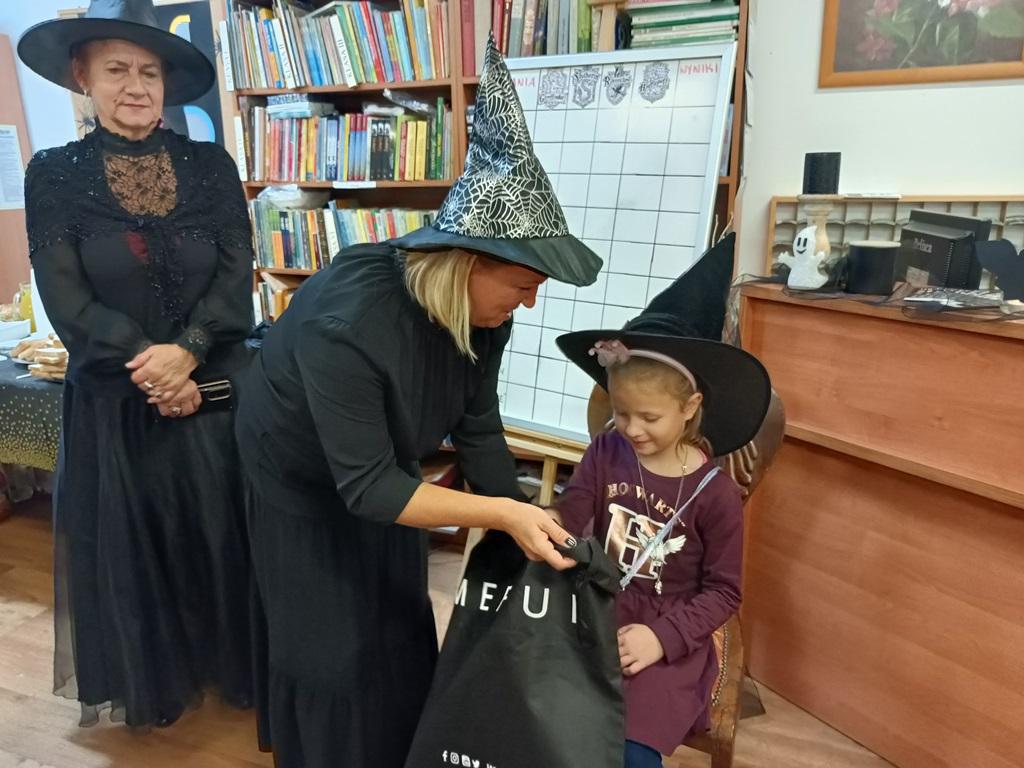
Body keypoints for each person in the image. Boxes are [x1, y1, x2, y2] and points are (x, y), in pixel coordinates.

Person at [234, 38, 603, 768]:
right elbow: (368, 487)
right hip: (300, 481)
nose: (530, 304)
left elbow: (477, 425)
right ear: (466, 263)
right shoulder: (350, 322)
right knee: (332, 648)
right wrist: (503, 515)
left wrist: (519, 517)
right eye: (523, 286)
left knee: (397, 622)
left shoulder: (483, 315)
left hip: (380, 474)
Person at [18, 0, 255, 728]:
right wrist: (151, 367)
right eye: (116, 69)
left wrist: (188, 353)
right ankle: (156, 681)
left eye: (149, 72)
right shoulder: (53, 174)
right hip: (115, 401)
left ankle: (225, 665)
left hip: (209, 389)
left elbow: (234, 278)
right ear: (81, 76)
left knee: (217, 536)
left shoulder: (211, 167)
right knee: (136, 548)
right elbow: (66, 297)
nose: (135, 86)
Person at [552, 236, 772, 767]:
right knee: (552, 715)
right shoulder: (607, 451)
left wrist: (661, 637)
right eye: (621, 412)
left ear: (690, 407)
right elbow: (573, 515)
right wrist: (542, 525)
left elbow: (724, 592)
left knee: (633, 746)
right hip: (594, 605)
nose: (631, 429)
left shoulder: (714, 493)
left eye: (649, 417)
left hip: (669, 630)